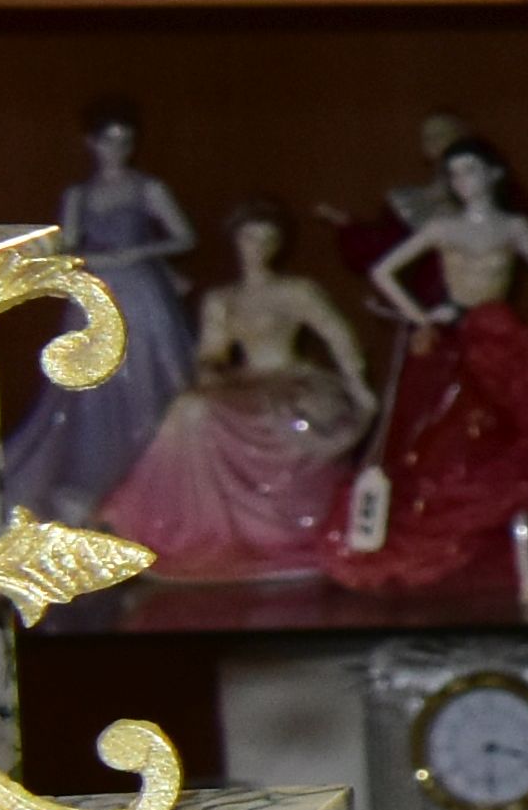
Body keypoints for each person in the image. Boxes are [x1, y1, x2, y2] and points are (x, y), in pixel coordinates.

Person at [331, 136, 528, 603]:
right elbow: (384, 272)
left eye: (472, 171)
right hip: (456, 337)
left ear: (493, 174)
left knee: (525, 436)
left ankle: (516, 550)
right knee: (440, 441)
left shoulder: (514, 227)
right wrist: (421, 316)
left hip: (503, 339)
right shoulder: (443, 226)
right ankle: (450, 545)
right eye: (456, 174)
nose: (464, 182)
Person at [96, 202, 372, 578]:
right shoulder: (223, 300)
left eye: (266, 237)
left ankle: (276, 523)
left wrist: (357, 385)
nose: (257, 245)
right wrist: (210, 371)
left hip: (289, 376)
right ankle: (192, 523)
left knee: (288, 414)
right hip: (247, 379)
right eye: (249, 236)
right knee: (190, 409)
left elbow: (339, 337)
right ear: (236, 241)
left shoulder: (295, 291)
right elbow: (211, 352)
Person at [0, 97, 196, 523]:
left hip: (141, 291)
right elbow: (65, 247)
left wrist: (139, 251)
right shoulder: (79, 194)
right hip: (97, 293)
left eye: (125, 141)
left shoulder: (147, 188)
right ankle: (98, 488)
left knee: (147, 379)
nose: (117, 150)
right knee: (92, 387)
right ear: (92, 143)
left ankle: (158, 490)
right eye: (109, 142)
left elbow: (184, 236)